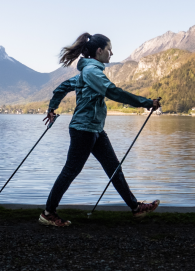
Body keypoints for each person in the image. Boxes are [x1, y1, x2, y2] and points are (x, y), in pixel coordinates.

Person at [39, 33, 161, 227]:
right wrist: (146, 103)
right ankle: (48, 213)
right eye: (109, 49)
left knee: (114, 169)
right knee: (71, 170)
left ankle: (136, 208)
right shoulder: (91, 72)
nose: (111, 53)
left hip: (95, 129)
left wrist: (52, 108)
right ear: (99, 50)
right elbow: (113, 92)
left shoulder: (88, 72)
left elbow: (63, 87)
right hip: (83, 130)